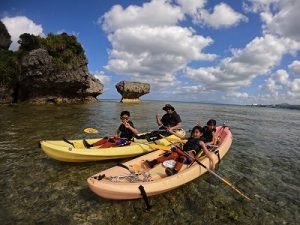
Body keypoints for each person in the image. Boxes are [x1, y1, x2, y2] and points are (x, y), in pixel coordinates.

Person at [144, 126, 215, 176]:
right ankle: (153, 163)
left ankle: (174, 171)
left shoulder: (201, 142)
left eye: (197, 132)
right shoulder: (189, 138)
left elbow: (207, 152)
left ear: (201, 134)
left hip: (189, 157)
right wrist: (171, 131)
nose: (194, 134)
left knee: (181, 156)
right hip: (182, 153)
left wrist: (213, 161)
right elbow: (180, 137)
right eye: (193, 132)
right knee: (173, 154)